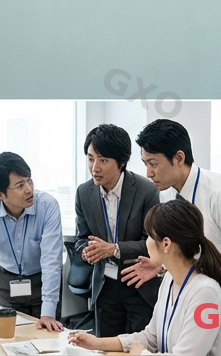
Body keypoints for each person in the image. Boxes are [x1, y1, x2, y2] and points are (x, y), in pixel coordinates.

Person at [67, 199, 221, 356]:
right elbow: (151, 337)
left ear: (166, 244)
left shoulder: (206, 293)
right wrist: (97, 343)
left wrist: (141, 354)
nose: (146, 242)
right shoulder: (169, 279)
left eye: (149, 236)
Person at [133, 119, 221, 288]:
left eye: (153, 164)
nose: (148, 173)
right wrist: (163, 266)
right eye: (146, 164)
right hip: (199, 287)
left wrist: (192, 268)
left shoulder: (220, 192)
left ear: (179, 158)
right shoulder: (168, 195)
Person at [73, 123, 161, 337]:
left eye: (103, 160)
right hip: (105, 287)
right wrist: (89, 251)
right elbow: (81, 240)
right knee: (105, 346)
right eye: (90, 158)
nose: (95, 167)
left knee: (139, 347)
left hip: (139, 284)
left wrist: (113, 249)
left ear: (121, 162)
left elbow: (153, 243)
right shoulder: (84, 193)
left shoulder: (145, 190)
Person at [0, 152, 65, 333]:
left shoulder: (47, 206)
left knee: (46, 338)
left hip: (42, 282)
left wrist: (48, 312)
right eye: (20, 185)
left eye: (29, 181)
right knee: (10, 338)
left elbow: (51, 261)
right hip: (6, 282)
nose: (29, 189)